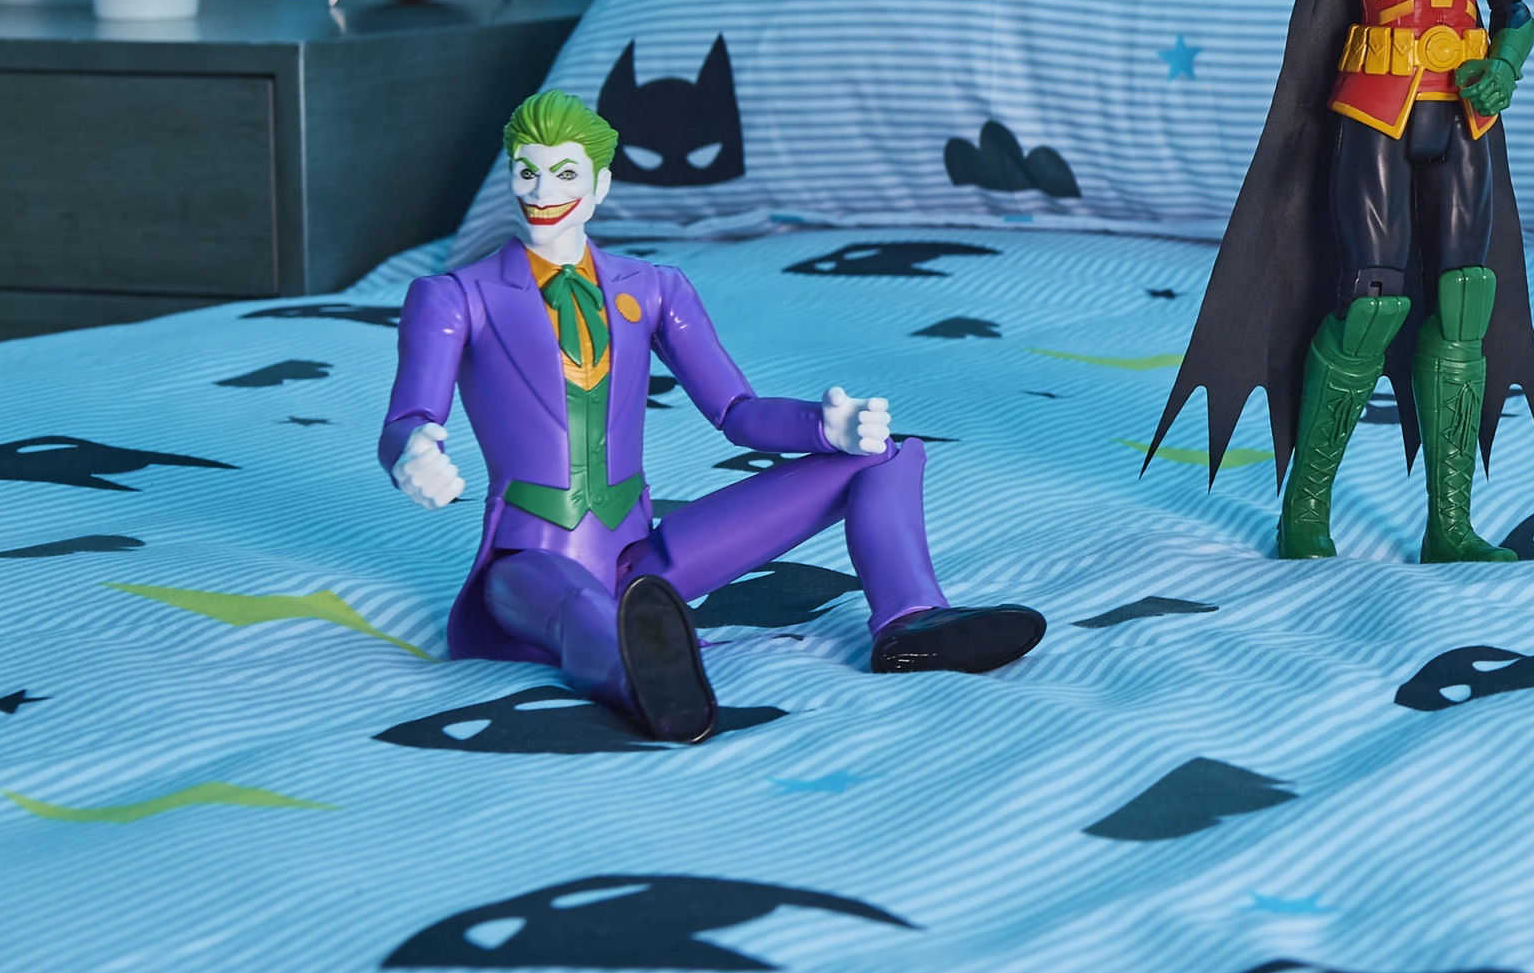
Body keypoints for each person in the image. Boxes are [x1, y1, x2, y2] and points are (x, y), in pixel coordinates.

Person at [379, 90, 1045, 741]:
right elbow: (410, 417)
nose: (542, 190)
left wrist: (824, 428)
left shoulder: (655, 287)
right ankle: (639, 673)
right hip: (527, 563)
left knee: (881, 456)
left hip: (639, 559)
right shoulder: (454, 296)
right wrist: (414, 453)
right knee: (582, 607)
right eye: (527, 171)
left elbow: (734, 410)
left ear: (600, 185)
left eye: (564, 173)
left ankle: (911, 622)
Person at [1130, 0, 1534, 564]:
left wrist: (1505, 64)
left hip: (1462, 116)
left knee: (1465, 301)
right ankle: (1305, 514)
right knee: (1372, 306)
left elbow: (1514, 9)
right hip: (1378, 113)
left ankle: (1451, 527)